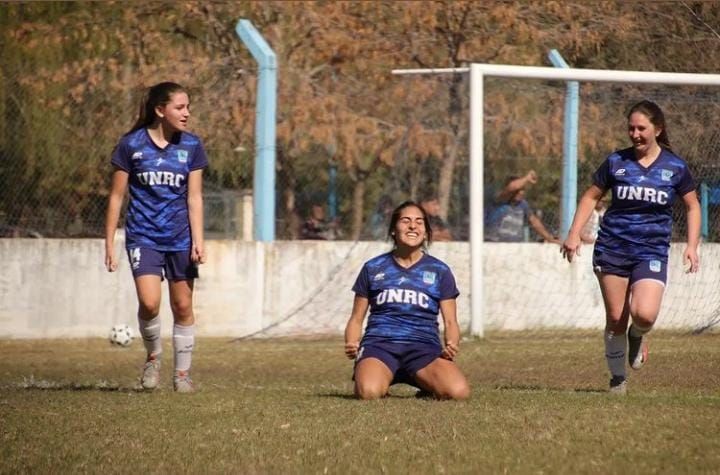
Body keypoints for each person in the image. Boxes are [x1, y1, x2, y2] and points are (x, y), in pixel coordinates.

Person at [561, 100, 700, 395]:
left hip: (651, 251)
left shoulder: (675, 167)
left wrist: (691, 245)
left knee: (644, 314)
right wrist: (573, 234)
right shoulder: (616, 162)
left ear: (657, 129)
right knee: (615, 318)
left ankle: (638, 335)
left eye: (641, 128)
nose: (635, 134)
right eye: (631, 128)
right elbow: (589, 197)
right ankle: (617, 379)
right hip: (612, 247)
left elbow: (692, 206)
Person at [105, 82, 208, 393]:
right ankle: (153, 358)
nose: (187, 113)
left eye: (188, 107)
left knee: (182, 305)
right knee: (150, 304)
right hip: (143, 236)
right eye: (180, 107)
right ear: (160, 110)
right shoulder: (131, 145)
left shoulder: (191, 146)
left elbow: (194, 198)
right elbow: (115, 197)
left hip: (180, 238)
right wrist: (109, 242)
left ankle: (182, 375)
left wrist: (198, 240)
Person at [343, 200, 470, 400]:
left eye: (419, 222)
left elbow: (451, 321)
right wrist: (351, 342)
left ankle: (425, 384)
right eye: (406, 221)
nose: (413, 226)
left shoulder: (440, 271)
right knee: (369, 392)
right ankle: (378, 377)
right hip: (380, 346)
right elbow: (356, 318)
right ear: (394, 229)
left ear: (426, 232)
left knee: (458, 393)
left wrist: (452, 342)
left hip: (423, 349)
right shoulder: (373, 268)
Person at [485, 170, 560, 243]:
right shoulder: (500, 200)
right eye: (518, 190)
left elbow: (534, 222)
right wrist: (527, 178)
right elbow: (511, 187)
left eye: (523, 190)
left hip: (515, 247)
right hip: (495, 245)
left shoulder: (523, 204)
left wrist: (550, 239)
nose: (521, 193)